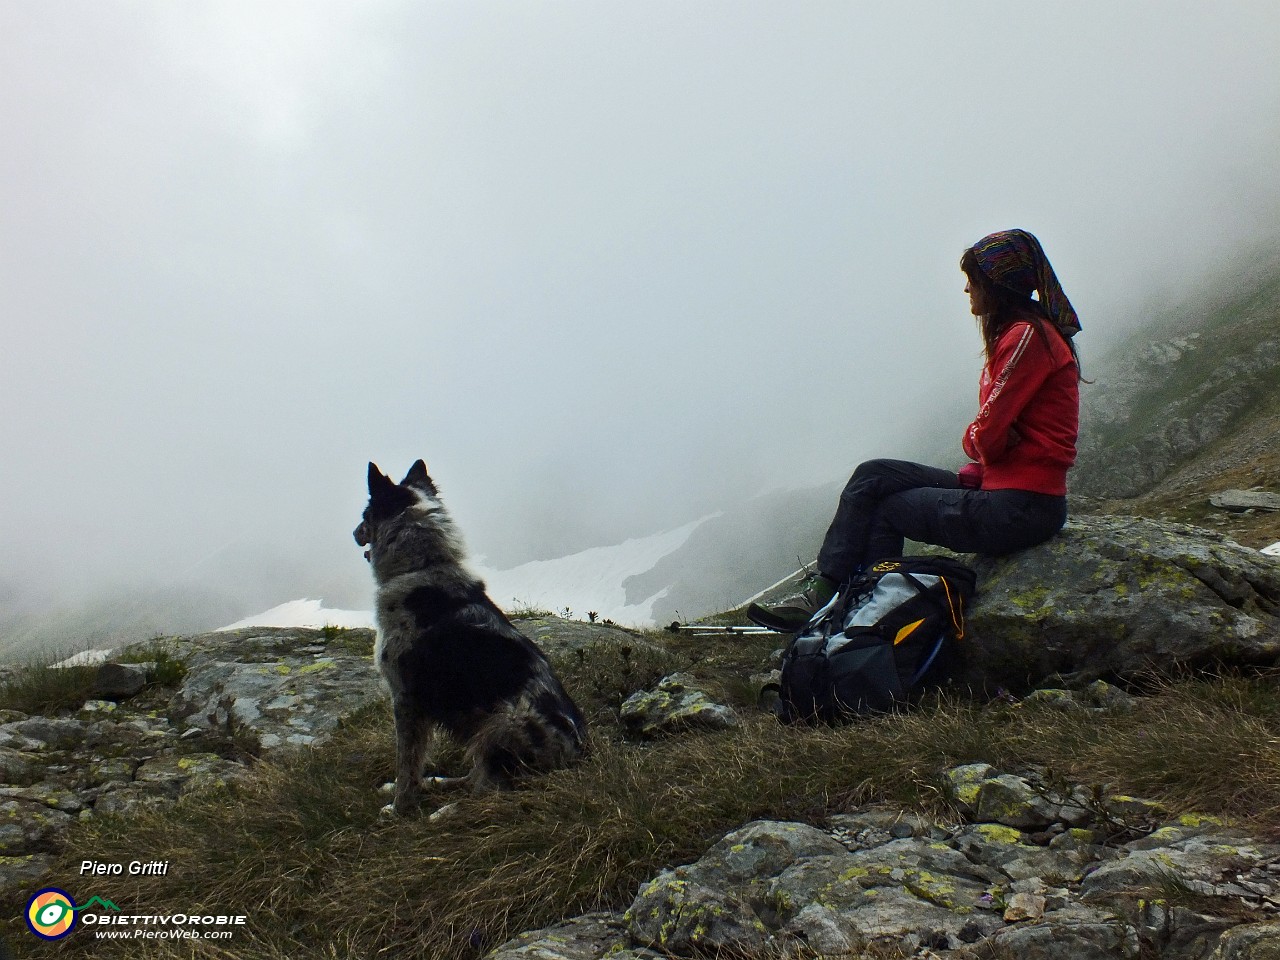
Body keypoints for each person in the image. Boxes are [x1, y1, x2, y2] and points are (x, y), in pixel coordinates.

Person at [748, 229, 1083, 632]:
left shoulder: (1027, 336)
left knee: (890, 509)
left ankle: (856, 608)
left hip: (1023, 507)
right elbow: (991, 438)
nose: (966, 288)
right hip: (1002, 488)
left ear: (997, 284)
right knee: (873, 475)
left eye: (973, 279)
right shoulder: (1021, 335)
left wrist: (982, 440)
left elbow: (987, 435)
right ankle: (829, 590)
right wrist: (985, 444)